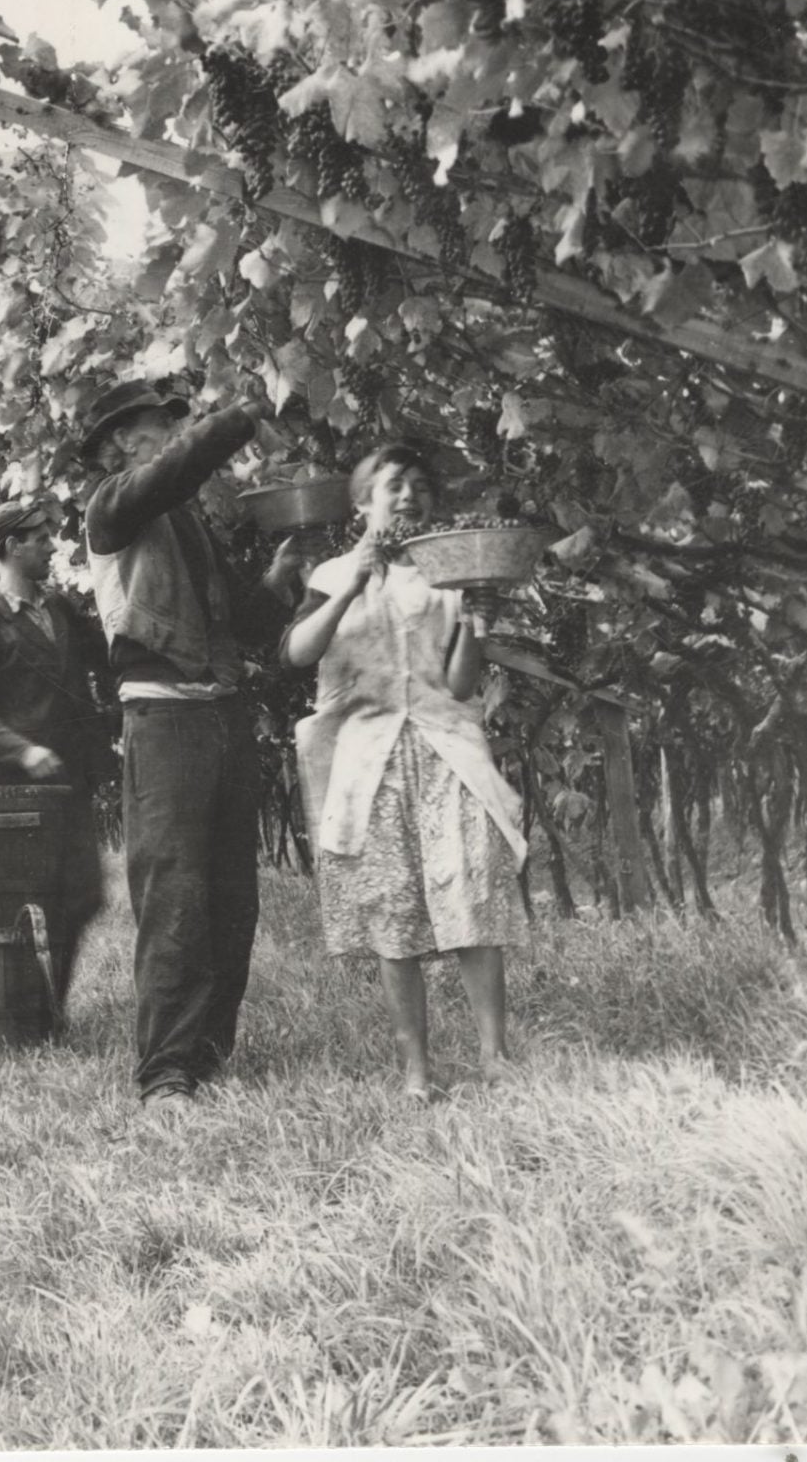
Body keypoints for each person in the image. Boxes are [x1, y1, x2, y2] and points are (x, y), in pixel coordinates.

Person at [81, 377, 301, 1109]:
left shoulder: (188, 526)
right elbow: (178, 467)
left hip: (222, 717)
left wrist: (282, 577)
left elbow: (246, 620)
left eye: (178, 426)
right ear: (121, 442)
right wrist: (241, 416)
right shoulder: (113, 506)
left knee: (232, 895)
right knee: (174, 896)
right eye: (160, 426)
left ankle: (208, 1053)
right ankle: (165, 1074)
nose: (174, 437)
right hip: (165, 721)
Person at [283, 442, 527, 1100]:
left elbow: (459, 684)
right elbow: (298, 652)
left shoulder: (448, 574)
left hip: (447, 750)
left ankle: (494, 1056)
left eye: (420, 484)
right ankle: (417, 1069)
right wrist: (353, 584)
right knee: (394, 912)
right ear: (362, 501)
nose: (410, 495)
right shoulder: (332, 574)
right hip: (370, 760)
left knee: (471, 891)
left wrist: (476, 623)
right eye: (394, 484)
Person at [0, 498, 115, 1003]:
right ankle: (30, 1013)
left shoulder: (59, 607)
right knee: (31, 902)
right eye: (41, 539)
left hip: (72, 780)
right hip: (19, 792)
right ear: (12, 547)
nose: (52, 547)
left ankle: (48, 1006)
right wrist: (23, 752)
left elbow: (105, 658)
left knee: (82, 896)